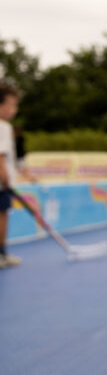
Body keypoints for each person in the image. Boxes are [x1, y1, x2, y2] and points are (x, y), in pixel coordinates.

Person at [0, 84, 24, 268]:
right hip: (1, 184)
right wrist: (6, 179)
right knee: (2, 216)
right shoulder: (3, 127)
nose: (14, 109)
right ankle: (1, 254)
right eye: (12, 104)